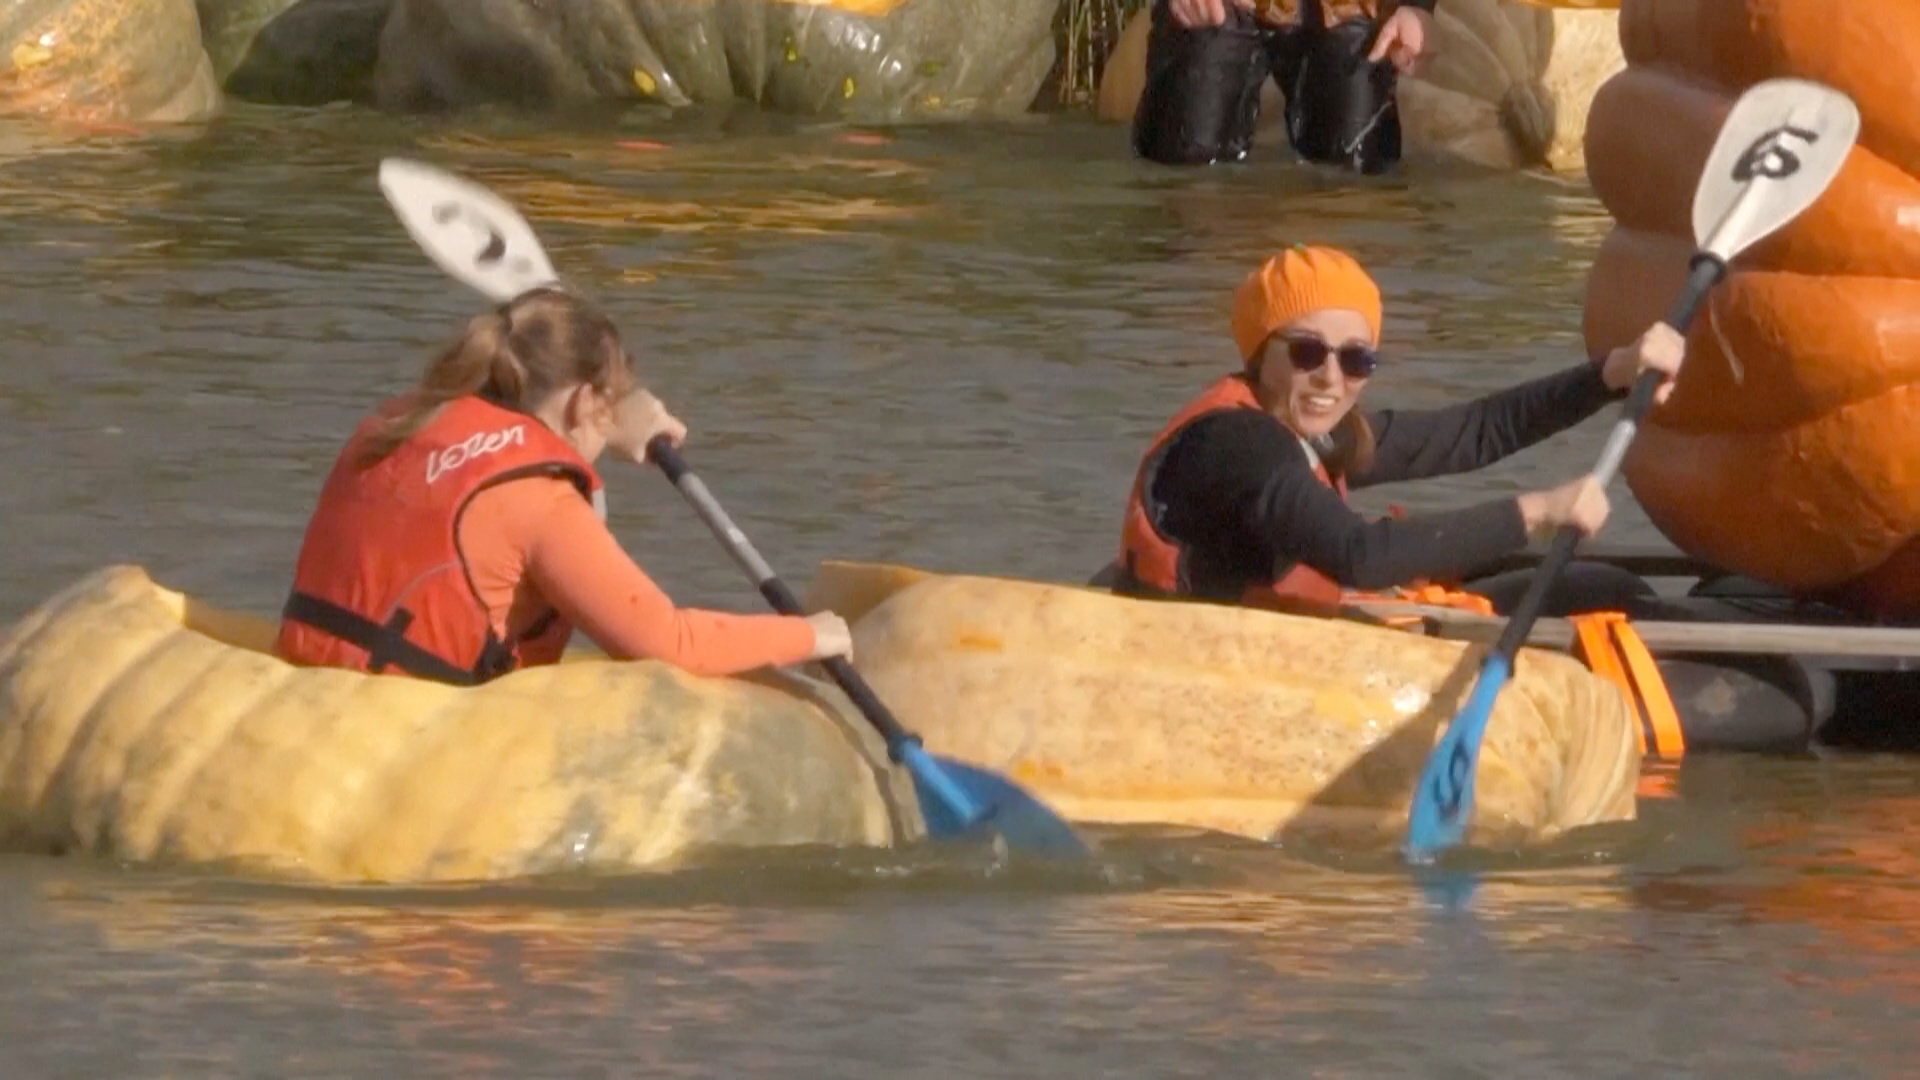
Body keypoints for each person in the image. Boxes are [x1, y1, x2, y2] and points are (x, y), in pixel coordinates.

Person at [275, 287, 854, 685]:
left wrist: (611, 417)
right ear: (582, 400)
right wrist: (809, 635)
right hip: (422, 731)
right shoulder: (540, 503)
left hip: (315, 693)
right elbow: (670, 644)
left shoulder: (396, 427)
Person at [1110, 244, 1685, 618]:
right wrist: (1538, 510)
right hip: (1210, 665)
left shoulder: (1314, 431)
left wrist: (1611, 374)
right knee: (1603, 596)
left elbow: (1474, 432)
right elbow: (1361, 556)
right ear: (1260, 355)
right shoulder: (1236, 446)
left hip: (1275, 644)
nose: (1330, 379)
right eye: (1308, 352)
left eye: (1356, 361)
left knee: (1604, 584)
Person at [1133, 0, 1436, 173]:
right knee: (1181, 169)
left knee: (1360, 173)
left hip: (1348, 8)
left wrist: (1418, 8)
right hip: (1224, 7)